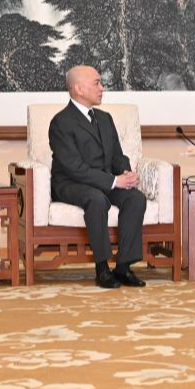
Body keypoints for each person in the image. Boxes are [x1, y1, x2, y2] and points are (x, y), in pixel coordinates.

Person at [49, 66, 147, 289]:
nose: (102, 88)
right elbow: (74, 168)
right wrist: (113, 181)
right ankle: (102, 269)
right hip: (70, 183)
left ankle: (123, 267)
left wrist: (125, 173)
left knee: (135, 198)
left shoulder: (105, 118)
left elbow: (117, 156)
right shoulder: (61, 122)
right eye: (97, 83)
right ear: (79, 88)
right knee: (96, 199)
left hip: (104, 180)